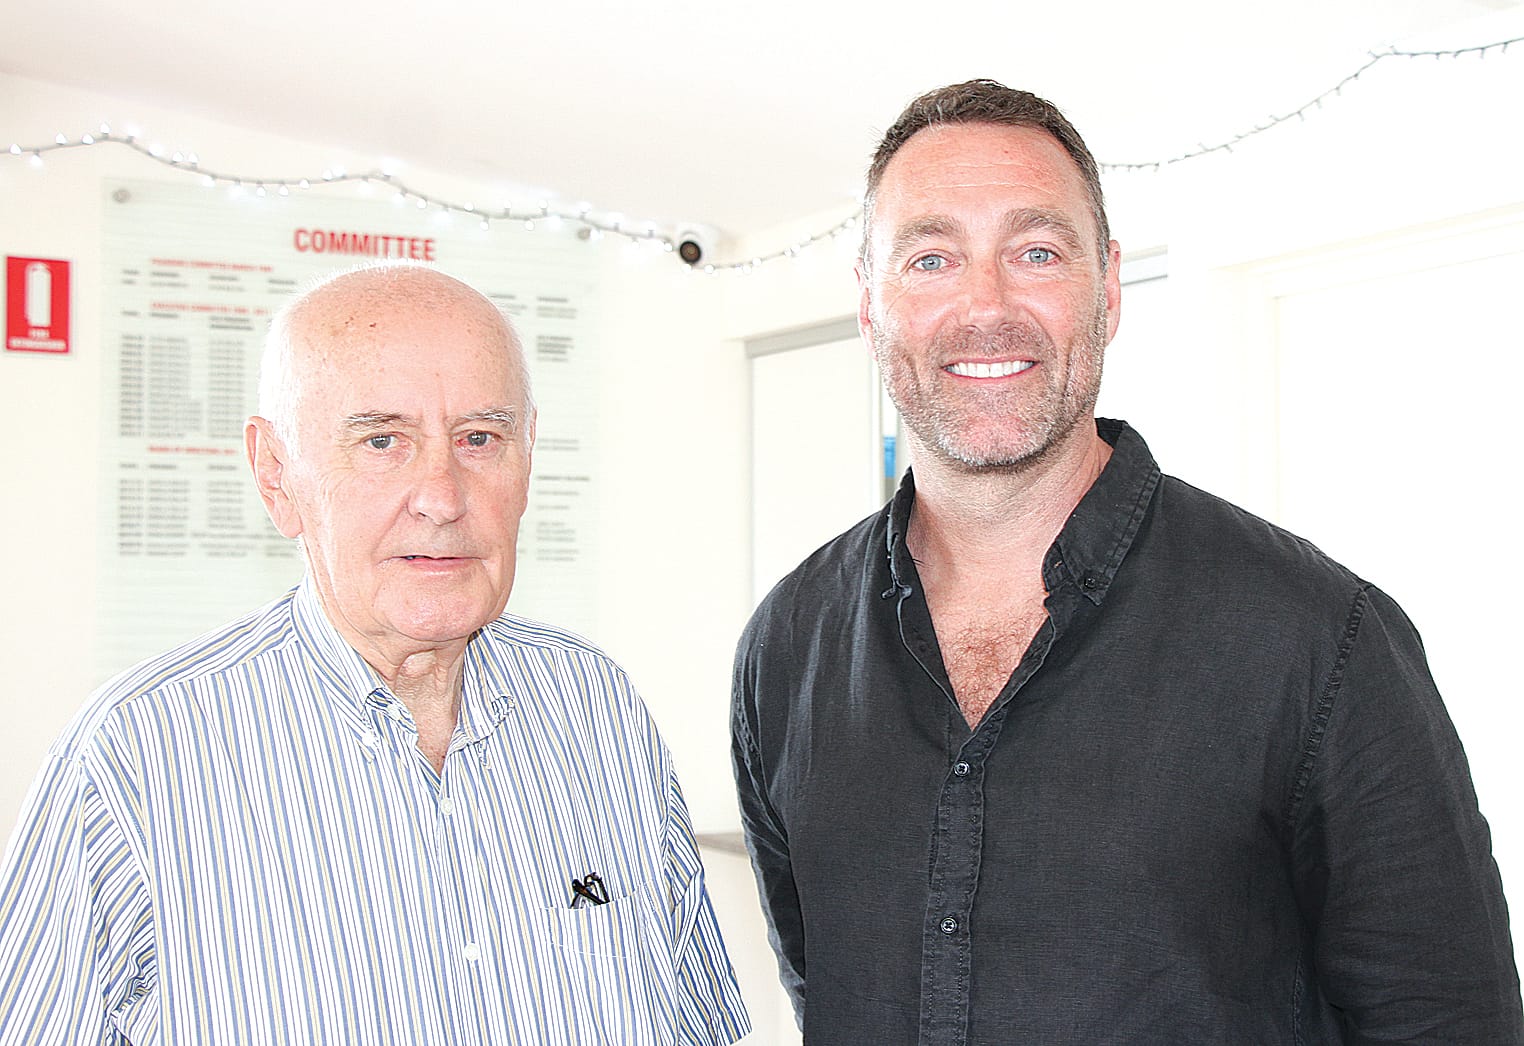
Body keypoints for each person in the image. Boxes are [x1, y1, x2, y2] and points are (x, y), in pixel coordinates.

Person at [732, 80, 1523, 1043]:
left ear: (1106, 289)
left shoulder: (1320, 640)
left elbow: (1450, 1021)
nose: (986, 307)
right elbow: (829, 992)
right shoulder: (784, 649)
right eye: (932, 258)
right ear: (870, 306)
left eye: (1036, 252)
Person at [0, 262, 750, 1044]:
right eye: (383, 440)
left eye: (480, 439)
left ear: (528, 461)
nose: (442, 494)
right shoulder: (136, 755)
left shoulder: (598, 710)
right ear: (275, 475)